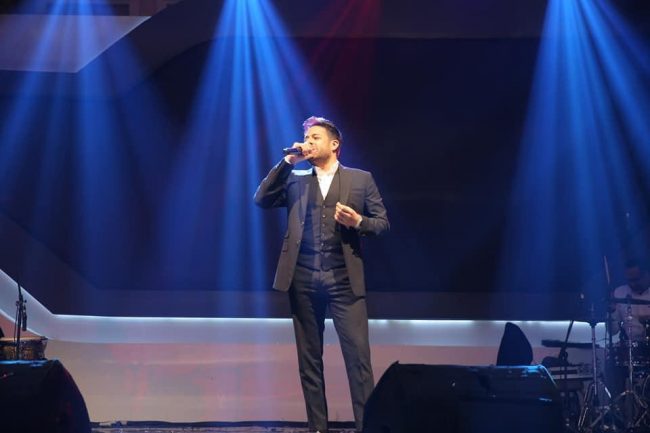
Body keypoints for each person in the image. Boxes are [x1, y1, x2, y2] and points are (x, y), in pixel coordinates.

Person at [254, 116, 389, 433]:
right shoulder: (296, 179)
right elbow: (262, 199)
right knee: (310, 361)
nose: (308, 142)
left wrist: (358, 222)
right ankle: (318, 428)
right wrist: (288, 161)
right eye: (306, 138)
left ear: (334, 144)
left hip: (344, 281)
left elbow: (382, 223)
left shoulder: (360, 179)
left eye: (315, 137)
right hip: (302, 279)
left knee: (358, 360)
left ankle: (367, 427)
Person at [610, 259, 650, 341]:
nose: (632, 284)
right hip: (629, 345)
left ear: (647, 275)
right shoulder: (619, 292)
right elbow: (613, 332)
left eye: (635, 280)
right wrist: (611, 312)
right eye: (629, 280)